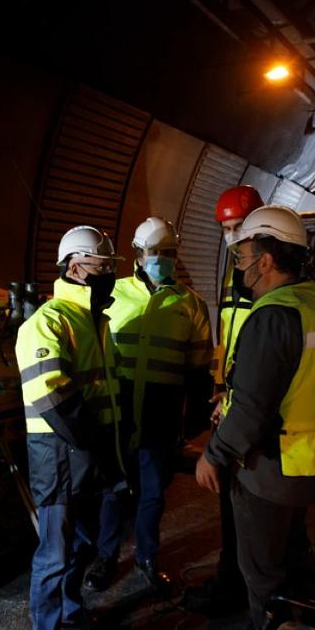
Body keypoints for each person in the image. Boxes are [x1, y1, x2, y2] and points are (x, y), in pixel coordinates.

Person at [193, 205, 315, 630]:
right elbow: (295, 382)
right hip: (312, 460)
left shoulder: (273, 315)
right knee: (296, 554)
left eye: (243, 259)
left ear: (265, 261)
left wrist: (214, 454)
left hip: (272, 466)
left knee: (261, 570)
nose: (240, 268)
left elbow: (254, 409)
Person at [15, 225, 124, 630]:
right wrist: (95, 442)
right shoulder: (49, 321)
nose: (109, 274)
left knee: (81, 545)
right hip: (59, 456)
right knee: (54, 555)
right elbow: (51, 395)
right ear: (76, 267)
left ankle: (71, 611)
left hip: (88, 453)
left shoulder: (96, 321)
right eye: (103, 266)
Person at [86, 217, 213, 597]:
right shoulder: (114, 293)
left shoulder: (190, 304)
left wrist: (192, 419)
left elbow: (199, 368)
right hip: (120, 408)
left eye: (169, 252)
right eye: (155, 252)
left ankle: (146, 557)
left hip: (161, 412)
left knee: (154, 493)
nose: (163, 259)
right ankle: (105, 557)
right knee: (114, 488)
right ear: (138, 255)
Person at [182, 184, 263, 613]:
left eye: (238, 226)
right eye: (225, 228)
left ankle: (252, 601)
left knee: (251, 512)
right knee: (233, 507)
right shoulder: (236, 272)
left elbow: (260, 349)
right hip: (234, 400)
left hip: (253, 407)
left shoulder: (264, 276)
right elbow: (230, 340)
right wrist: (220, 390)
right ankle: (233, 583)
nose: (231, 236)